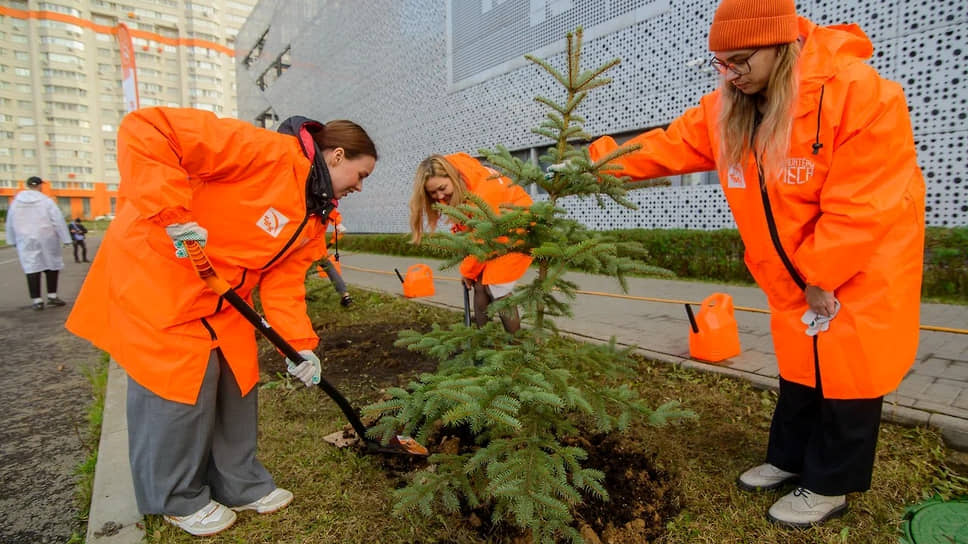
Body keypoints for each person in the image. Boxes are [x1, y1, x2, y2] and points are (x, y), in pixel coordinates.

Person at [584, 0, 925, 528]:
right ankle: (789, 459)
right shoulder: (728, 108)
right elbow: (669, 145)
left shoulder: (860, 94)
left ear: (780, 46)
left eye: (741, 60)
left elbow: (865, 202)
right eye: (721, 63)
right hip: (790, 275)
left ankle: (829, 484)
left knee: (848, 376)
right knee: (799, 367)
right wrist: (598, 163)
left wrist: (821, 276)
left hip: (858, 267)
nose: (731, 73)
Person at [65, 107, 377, 537]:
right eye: (361, 175)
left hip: (222, 299)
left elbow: (284, 283)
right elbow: (150, 128)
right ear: (337, 156)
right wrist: (172, 213)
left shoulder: (313, 215)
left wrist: (300, 345)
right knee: (181, 389)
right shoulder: (264, 152)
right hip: (162, 278)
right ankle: (178, 498)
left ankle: (238, 482)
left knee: (237, 380)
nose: (360, 187)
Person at [410, 153, 532, 333]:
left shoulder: (485, 191)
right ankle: (482, 340)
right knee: (479, 285)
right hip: (496, 231)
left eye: (442, 188)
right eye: (433, 193)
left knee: (497, 287)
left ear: (452, 176)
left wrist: (468, 271)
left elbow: (483, 240)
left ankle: (517, 347)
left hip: (518, 229)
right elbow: (471, 227)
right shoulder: (462, 179)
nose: (439, 196)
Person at [5, 176, 71, 310]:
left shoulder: (16, 202)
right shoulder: (47, 202)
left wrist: (11, 239)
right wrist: (66, 239)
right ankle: (52, 296)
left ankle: (37, 300)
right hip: (47, 237)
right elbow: (58, 220)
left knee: (31, 267)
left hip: (26, 239)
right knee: (51, 265)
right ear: (40, 186)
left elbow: (10, 222)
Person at [314, 208, 352, 307]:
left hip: (306, 249)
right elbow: (332, 214)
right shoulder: (322, 206)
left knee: (298, 272)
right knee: (330, 269)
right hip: (318, 249)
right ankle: (345, 295)